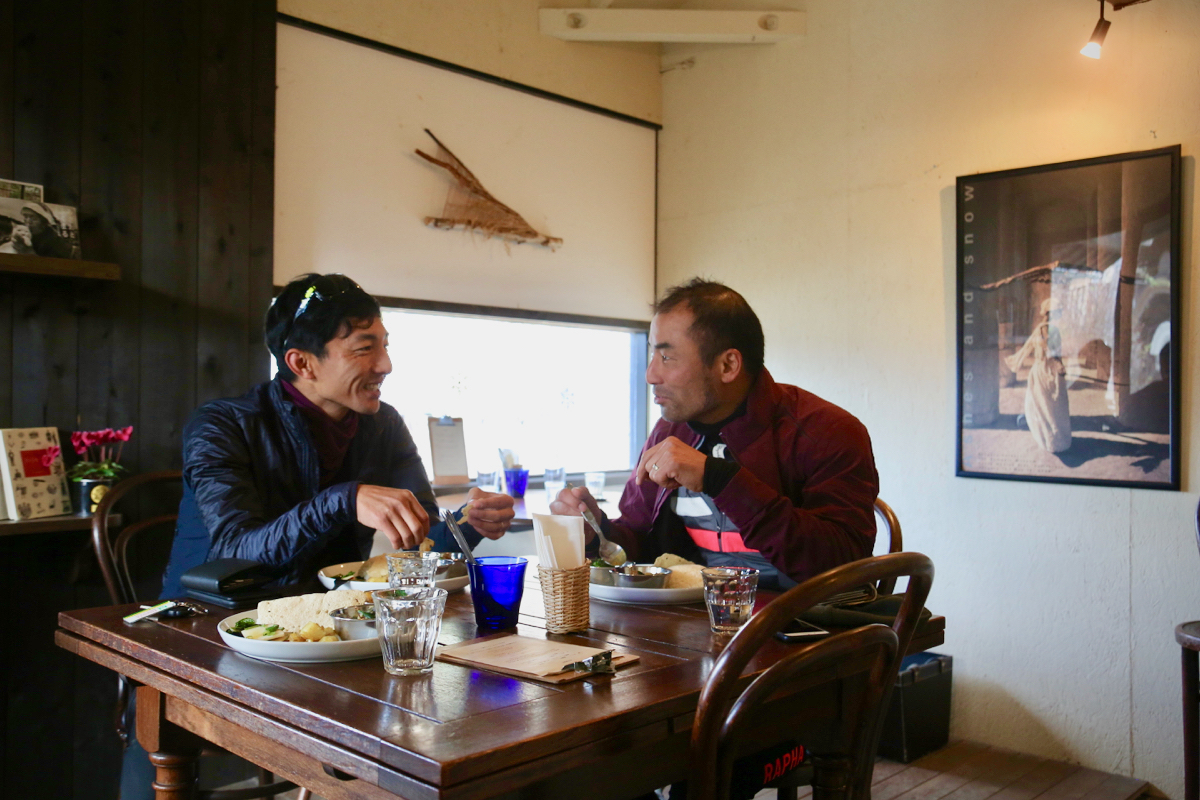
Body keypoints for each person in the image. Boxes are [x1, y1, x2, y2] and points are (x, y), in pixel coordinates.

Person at [159, 272, 516, 598]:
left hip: (327, 623)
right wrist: (344, 500)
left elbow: (419, 545)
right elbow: (235, 552)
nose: (386, 365)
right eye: (364, 348)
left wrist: (469, 524)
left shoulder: (383, 425)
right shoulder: (222, 425)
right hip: (205, 622)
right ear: (302, 363)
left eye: (384, 345)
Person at [552, 278, 879, 592]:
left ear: (728, 365)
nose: (651, 374)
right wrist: (598, 532)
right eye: (652, 354)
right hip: (696, 622)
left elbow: (842, 564)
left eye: (666, 357)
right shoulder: (669, 430)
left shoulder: (825, 431)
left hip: (801, 629)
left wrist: (719, 479)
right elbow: (645, 546)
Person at [1005, 297, 1071, 452]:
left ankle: (1048, 439)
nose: (1060, 314)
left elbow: (1027, 348)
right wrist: (1060, 368)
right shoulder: (1053, 330)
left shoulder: (1039, 328)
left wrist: (1015, 361)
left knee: (1043, 405)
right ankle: (1057, 442)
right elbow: (1054, 355)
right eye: (1058, 312)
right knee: (1055, 406)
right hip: (1051, 370)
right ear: (1051, 313)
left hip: (1038, 371)